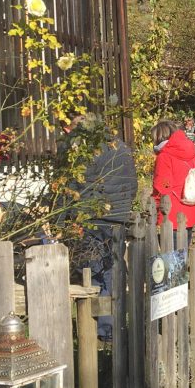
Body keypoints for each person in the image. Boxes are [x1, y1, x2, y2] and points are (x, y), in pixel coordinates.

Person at [65, 114, 137, 341]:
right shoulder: (121, 147)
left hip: (95, 217)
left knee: (95, 272)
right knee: (114, 267)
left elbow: (75, 186)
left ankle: (104, 330)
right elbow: (132, 183)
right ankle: (118, 324)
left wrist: (64, 219)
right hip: (118, 216)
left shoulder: (87, 150)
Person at [152, 120, 195, 236]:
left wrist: (156, 213)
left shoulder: (164, 157)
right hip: (193, 214)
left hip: (172, 217)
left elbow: (162, 189)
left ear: (159, 138)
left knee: (173, 253)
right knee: (188, 253)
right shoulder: (193, 154)